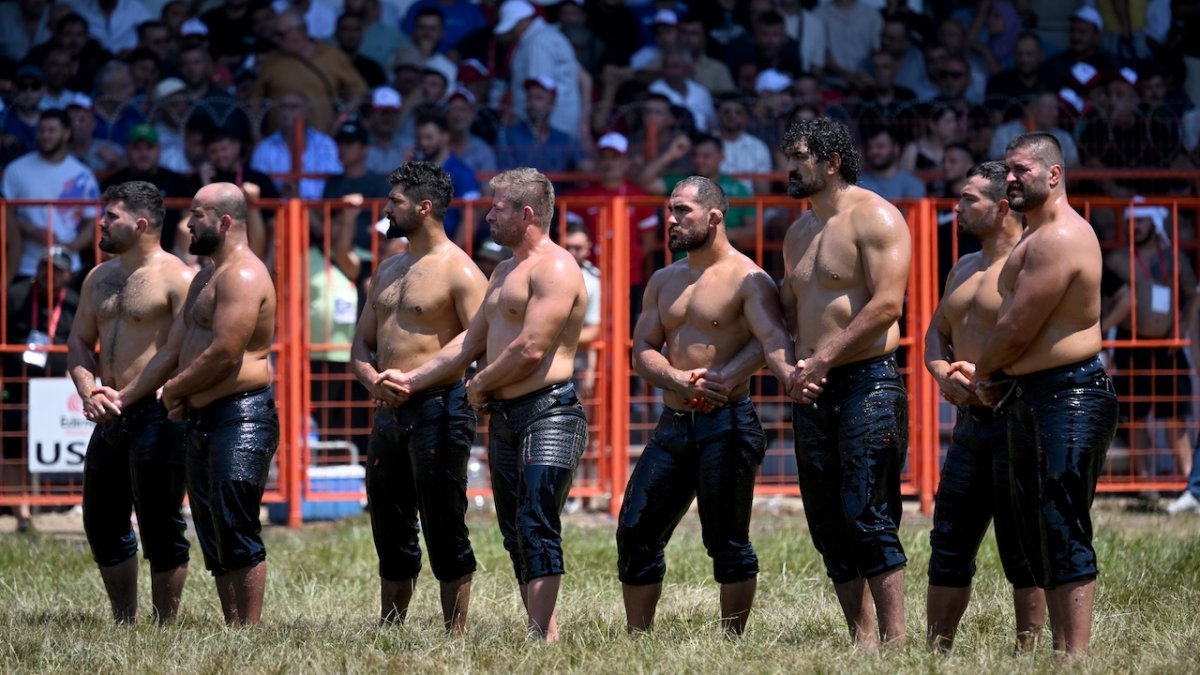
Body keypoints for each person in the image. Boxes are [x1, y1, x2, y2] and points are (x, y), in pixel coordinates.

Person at [385, 167, 588, 641]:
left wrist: (478, 386)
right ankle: (545, 631)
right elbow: (468, 341)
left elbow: (530, 348)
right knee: (515, 530)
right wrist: (411, 379)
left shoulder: (556, 267)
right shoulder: (502, 271)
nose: (488, 216)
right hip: (506, 416)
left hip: (549, 411)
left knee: (536, 520)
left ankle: (541, 638)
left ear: (527, 214)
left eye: (497, 208)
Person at [616, 176, 799, 636]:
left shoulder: (747, 278)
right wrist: (675, 377)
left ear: (714, 217)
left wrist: (727, 376)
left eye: (683, 211)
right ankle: (638, 639)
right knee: (635, 529)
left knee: (726, 540)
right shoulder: (664, 279)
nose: (671, 219)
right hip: (673, 423)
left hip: (727, 423)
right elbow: (642, 349)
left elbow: (772, 339)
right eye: (670, 210)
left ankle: (731, 641)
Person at [969, 132, 1119, 657]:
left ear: (1054, 174)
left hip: (1070, 393)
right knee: (1034, 527)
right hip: (1029, 393)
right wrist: (992, 374)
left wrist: (981, 375)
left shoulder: (1061, 237)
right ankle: (1058, 649)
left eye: (1021, 170)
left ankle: (1073, 656)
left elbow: (1016, 328)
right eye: (1007, 170)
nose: (1010, 178)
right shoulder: (1034, 236)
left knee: (1061, 521)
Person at [781, 117, 912, 648]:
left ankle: (896, 641)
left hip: (867, 380)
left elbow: (887, 304)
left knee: (868, 510)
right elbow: (789, 309)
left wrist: (824, 358)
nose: (790, 168)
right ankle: (862, 638)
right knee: (826, 517)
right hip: (813, 386)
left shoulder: (875, 216)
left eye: (800, 158)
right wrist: (793, 367)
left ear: (831, 162)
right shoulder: (798, 232)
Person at [348, 161, 488, 632]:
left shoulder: (460, 270)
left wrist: (414, 379)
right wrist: (372, 379)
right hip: (389, 410)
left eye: (395, 201)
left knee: (443, 520)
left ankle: (455, 633)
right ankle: (391, 625)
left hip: (440, 407)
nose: (386, 209)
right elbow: (361, 343)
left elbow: (476, 341)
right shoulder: (388, 268)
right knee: (388, 521)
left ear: (424, 207)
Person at [131, 182, 279, 626]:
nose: (188, 223)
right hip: (201, 416)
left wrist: (175, 390)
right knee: (212, 524)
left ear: (225, 221)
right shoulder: (204, 277)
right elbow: (174, 348)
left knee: (234, 520)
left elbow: (225, 353)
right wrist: (129, 394)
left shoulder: (244, 275)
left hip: (241, 414)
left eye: (197, 214)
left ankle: (247, 632)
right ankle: (233, 625)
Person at [923, 161, 1044, 652]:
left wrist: (991, 376)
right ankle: (936, 651)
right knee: (949, 540)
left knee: (1023, 544)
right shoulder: (964, 266)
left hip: (1016, 416)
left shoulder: (1030, 262)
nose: (957, 207)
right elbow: (937, 331)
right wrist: (940, 371)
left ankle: (1027, 652)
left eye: (968, 199)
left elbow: (1037, 339)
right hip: (969, 422)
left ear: (1001, 207)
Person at [65, 181, 194, 624]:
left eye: (111, 216)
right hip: (109, 412)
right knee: (101, 520)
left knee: (160, 522)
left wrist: (123, 394)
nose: (101, 222)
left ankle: (164, 624)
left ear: (140, 224)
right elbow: (79, 341)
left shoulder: (178, 277)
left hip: (158, 413)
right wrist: (89, 390)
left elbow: (176, 350)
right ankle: (124, 619)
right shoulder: (98, 277)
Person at [2, 108, 101, 287]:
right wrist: (30, 230)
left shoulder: (83, 174)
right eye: (41, 130)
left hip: (68, 268)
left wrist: (71, 246)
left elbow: (93, 221)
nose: (45, 136)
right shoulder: (15, 170)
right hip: (27, 266)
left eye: (52, 130)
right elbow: (5, 216)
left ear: (66, 133)